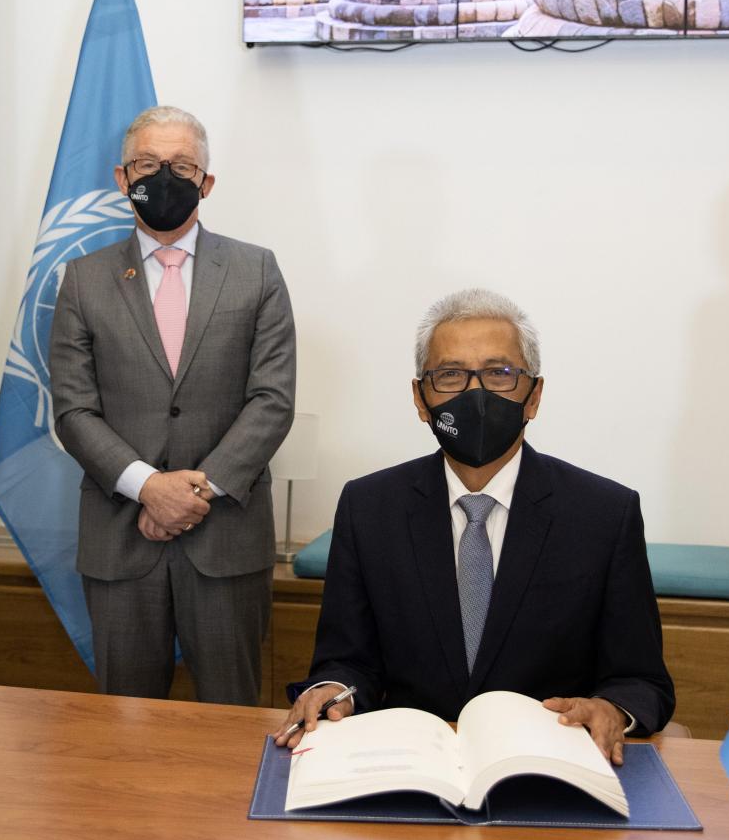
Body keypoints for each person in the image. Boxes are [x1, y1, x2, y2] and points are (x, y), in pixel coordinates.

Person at [276, 289, 675, 764]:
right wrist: (333, 690)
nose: (475, 394)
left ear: (534, 397)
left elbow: (641, 680)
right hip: (408, 767)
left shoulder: (604, 514)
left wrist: (611, 709)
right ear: (420, 399)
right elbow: (346, 662)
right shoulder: (368, 507)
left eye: (499, 373)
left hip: (548, 767)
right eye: (450, 375)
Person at [50, 105, 295, 705]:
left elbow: (272, 399)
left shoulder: (257, 270)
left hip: (227, 540)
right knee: (124, 726)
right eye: (147, 164)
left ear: (206, 183)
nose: (164, 177)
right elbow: (74, 411)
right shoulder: (82, 279)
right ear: (121, 178)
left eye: (182, 166)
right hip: (119, 541)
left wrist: (191, 493)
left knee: (231, 720)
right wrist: (147, 488)